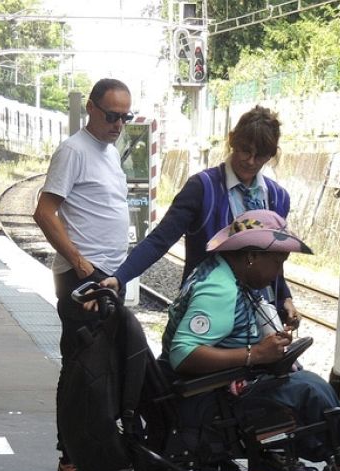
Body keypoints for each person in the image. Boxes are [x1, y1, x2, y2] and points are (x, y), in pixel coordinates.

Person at [161, 210, 340, 471]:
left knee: (303, 383)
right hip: (209, 403)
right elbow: (183, 354)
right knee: (309, 389)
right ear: (252, 257)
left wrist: (267, 347)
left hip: (218, 392)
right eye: (278, 262)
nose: (279, 272)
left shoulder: (228, 274)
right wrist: (255, 355)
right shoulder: (219, 289)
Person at [105, 106, 298, 327]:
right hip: (208, 310)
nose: (251, 161)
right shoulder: (202, 188)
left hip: (261, 313)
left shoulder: (277, 197)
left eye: (261, 155)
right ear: (232, 140)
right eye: (245, 150)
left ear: (271, 155)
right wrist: (120, 277)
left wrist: (284, 297)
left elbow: (273, 260)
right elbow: (161, 239)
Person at [33, 78, 135, 471]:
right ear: (91, 109)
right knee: (79, 371)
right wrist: (80, 265)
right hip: (85, 281)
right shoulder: (74, 151)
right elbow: (44, 211)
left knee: (104, 371)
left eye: (125, 117)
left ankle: (97, 449)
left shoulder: (109, 153)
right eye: (112, 115)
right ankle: (69, 461)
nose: (118, 124)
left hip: (108, 278)